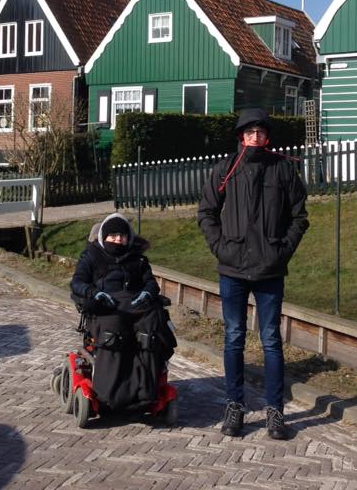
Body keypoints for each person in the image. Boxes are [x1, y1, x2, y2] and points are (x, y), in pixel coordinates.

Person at [197, 107, 309, 439]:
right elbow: (206, 212)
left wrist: (282, 249)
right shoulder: (225, 169)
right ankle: (235, 406)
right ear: (241, 136)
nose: (255, 138)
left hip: (269, 269)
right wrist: (221, 247)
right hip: (232, 268)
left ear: (267, 136)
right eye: (249, 133)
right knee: (234, 337)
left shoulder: (283, 170)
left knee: (271, 339)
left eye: (260, 133)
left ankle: (275, 411)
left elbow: (299, 216)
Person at [70, 212, 174, 409]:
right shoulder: (91, 256)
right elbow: (77, 283)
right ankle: (111, 394)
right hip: (104, 308)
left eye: (122, 236)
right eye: (113, 235)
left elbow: (151, 283)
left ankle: (145, 391)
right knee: (115, 329)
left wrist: (148, 293)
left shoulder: (138, 260)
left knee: (151, 328)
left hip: (134, 305)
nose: (118, 239)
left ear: (129, 237)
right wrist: (93, 293)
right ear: (104, 236)